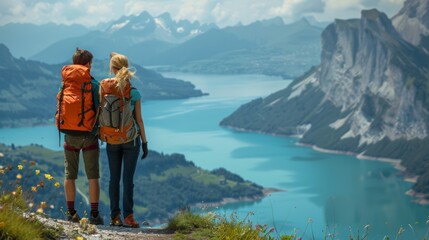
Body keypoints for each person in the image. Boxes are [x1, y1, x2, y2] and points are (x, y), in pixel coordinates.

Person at [58, 48, 103, 225]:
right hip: (89, 135)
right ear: (88, 64)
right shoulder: (93, 85)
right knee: (93, 176)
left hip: (69, 134)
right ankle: (94, 215)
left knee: (70, 175)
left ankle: (70, 213)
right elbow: (99, 109)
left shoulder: (64, 84)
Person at [103, 52, 149, 228]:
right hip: (130, 141)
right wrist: (144, 143)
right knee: (127, 180)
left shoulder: (105, 88)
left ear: (112, 68)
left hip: (111, 140)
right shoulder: (134, 92)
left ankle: (115, 217)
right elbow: (139, 120)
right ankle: (129, 217)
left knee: (113, 179)